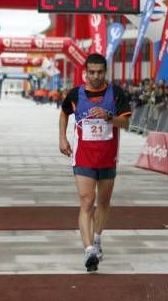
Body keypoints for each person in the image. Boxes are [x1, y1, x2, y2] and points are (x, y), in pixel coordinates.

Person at [59, 53, 131, 272]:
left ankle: (97, 238)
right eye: (92, 72)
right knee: (87, 201)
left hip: (108, 156)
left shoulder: (116, 93)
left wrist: (110, 117)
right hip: (83, 156)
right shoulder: (75, 94)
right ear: (86, 72)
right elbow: (64, 113)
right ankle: (89, 250)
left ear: (105, 72)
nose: (96, 76)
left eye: (100, 72)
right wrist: (62, 138)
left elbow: (126, 123)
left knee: (104, 202)